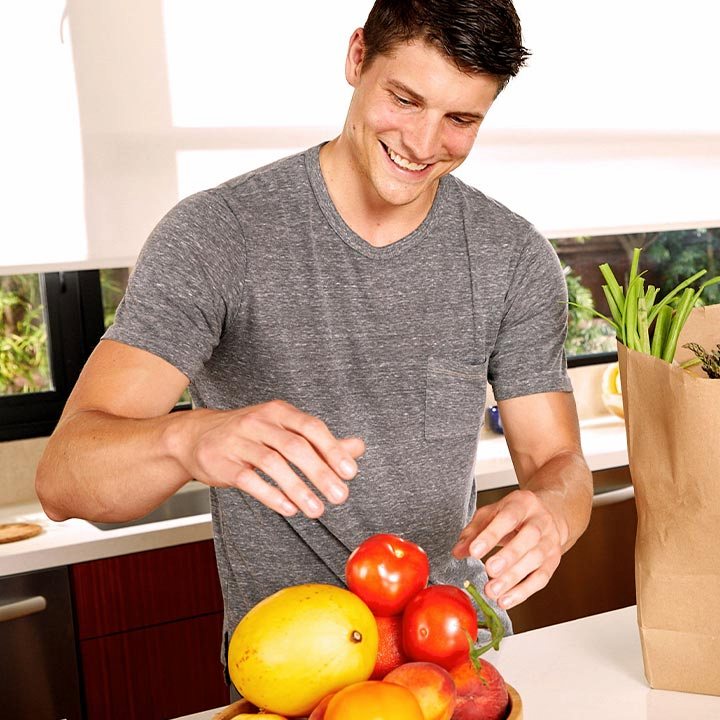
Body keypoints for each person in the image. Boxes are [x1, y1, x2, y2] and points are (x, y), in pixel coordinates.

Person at [36, 0, 592, 678]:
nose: (422, 143)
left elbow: (557, 459)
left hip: (450, 656)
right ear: (357, 57)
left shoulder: (511, 256)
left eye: (460, 119)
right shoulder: (217, 236)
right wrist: (188, 438)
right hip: (291, 668)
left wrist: (555, 514)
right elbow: (64, 480)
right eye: (405, 99)